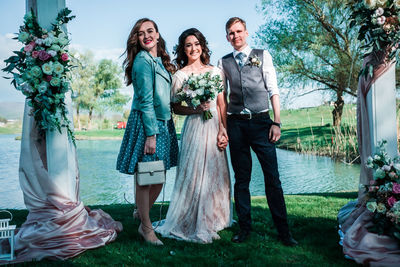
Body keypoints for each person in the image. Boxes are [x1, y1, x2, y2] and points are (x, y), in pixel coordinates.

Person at [217, 17, 298, 246]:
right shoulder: (223, 62)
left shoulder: (262, 55)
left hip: (262, 123)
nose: (236, 36)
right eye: (231, 33)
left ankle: (284, 232)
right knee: (242, 179)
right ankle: (244, 229)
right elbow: (221, 97)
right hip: (236, 125)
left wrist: (277, 122)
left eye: (239, 31)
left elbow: (273, 90)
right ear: (227, 37)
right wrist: (223, 127)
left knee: (273, 179)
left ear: (247, 32)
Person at [155, 28, 232, 243]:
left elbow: (221, 103)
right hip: (195, 128)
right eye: (188, 45)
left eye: (196, 43)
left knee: (216, 172)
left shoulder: (215, 71)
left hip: (215, 124)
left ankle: (216, 218)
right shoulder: (180, 75)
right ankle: (189, 218)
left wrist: (223, 129)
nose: (193, 48)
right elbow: (175, 107)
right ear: (183, 49)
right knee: (194, 171)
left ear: (202, 45)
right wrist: (196, 109)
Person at [116, 18, 179, 246]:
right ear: (137, 38)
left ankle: (141, 214)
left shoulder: (158, 61)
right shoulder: (143, 61)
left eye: (150, 31)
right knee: (147, 176)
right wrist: (151, 135)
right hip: (148, 123)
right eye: (141, 33)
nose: (146, 36)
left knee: (157, 176)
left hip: (162, 122)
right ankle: (146, 227)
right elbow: (145, 100)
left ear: (158, 34)